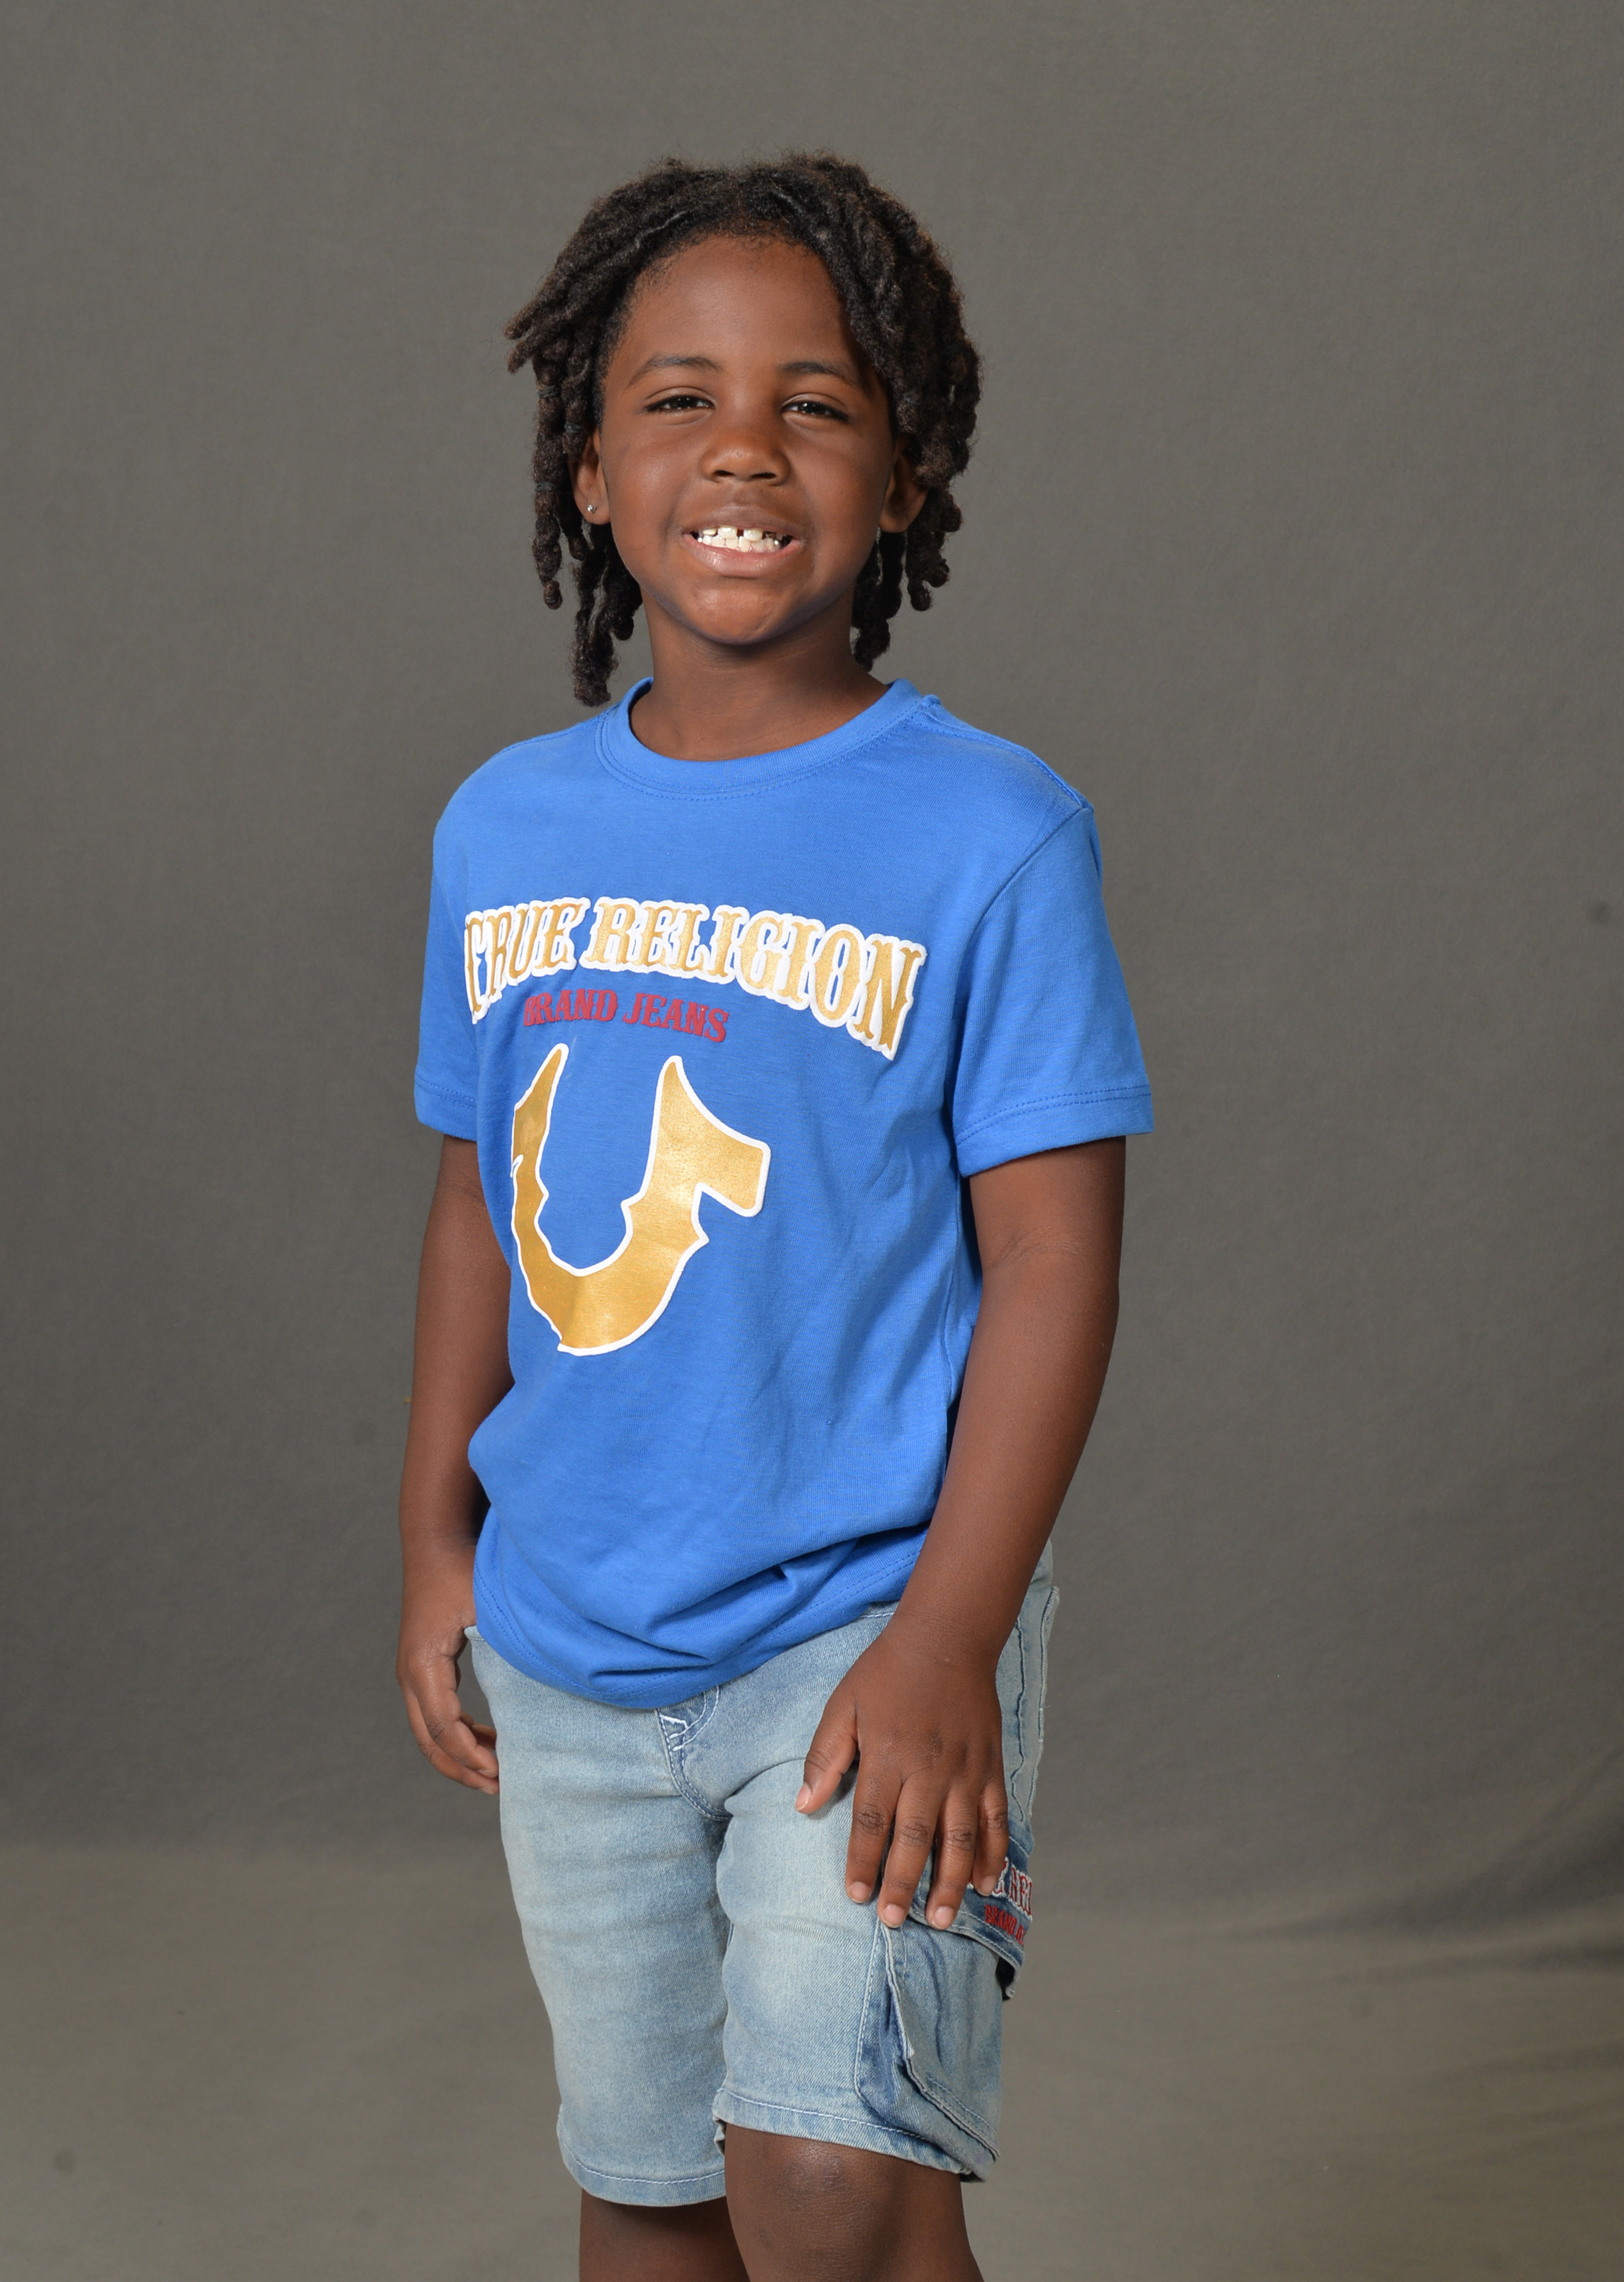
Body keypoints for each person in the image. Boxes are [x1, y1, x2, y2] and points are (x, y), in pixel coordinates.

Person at [396, 154, 1151, 2282]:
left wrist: (950, 1639)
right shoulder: (505, 827)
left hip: (864, 1618)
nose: (743, 451)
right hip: (572, 1626)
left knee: (826, 2186)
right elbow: (475, 1204)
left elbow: (1056, 1262)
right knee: (652, 2188)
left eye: (815, 406)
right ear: (588, 470)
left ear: (906, 480)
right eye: (677, 402)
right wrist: (433, 1534)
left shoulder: (992, 834)